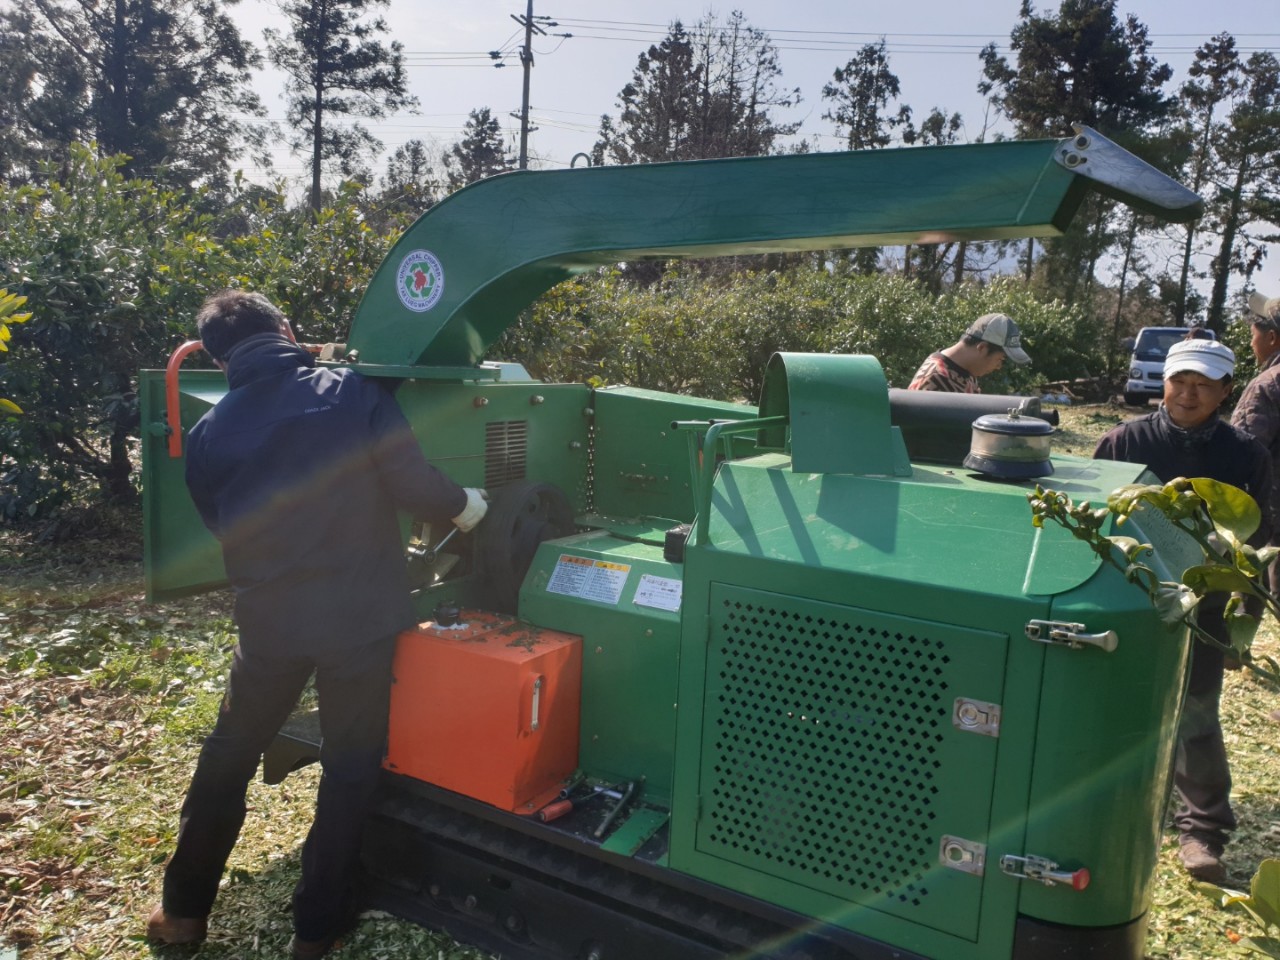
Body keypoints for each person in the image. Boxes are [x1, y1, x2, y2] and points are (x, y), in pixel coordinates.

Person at [145, 290, 488, 959]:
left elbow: (223, 525)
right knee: (351, 765)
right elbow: (415, 487)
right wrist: (470, 507)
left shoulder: (212, 430)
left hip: (270, 622)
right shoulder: (351, 393)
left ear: (217, 356)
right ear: (286, 329)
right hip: (359, 620)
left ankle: (184, 913)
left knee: (229, 753)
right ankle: (316, 927)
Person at [1093, 338, 1271, 885]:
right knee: (1115, 709)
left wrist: (1248, 608)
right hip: (1132, 598)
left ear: (1225, 391)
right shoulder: (1124, 441)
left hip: (1205, 604)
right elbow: (1092, 521)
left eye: (1204, 384)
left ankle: (1203, 830)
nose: (1188, 394)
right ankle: (1112, 808)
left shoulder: (1245, 454)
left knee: (1196, 712)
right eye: (1179, 381)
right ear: (1163, 383)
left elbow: (1262, 535)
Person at [907, 312, 1031, 392]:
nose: (998, 367)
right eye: (1000, 359)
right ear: (982, 347)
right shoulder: (937, 379)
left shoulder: (965, 371)